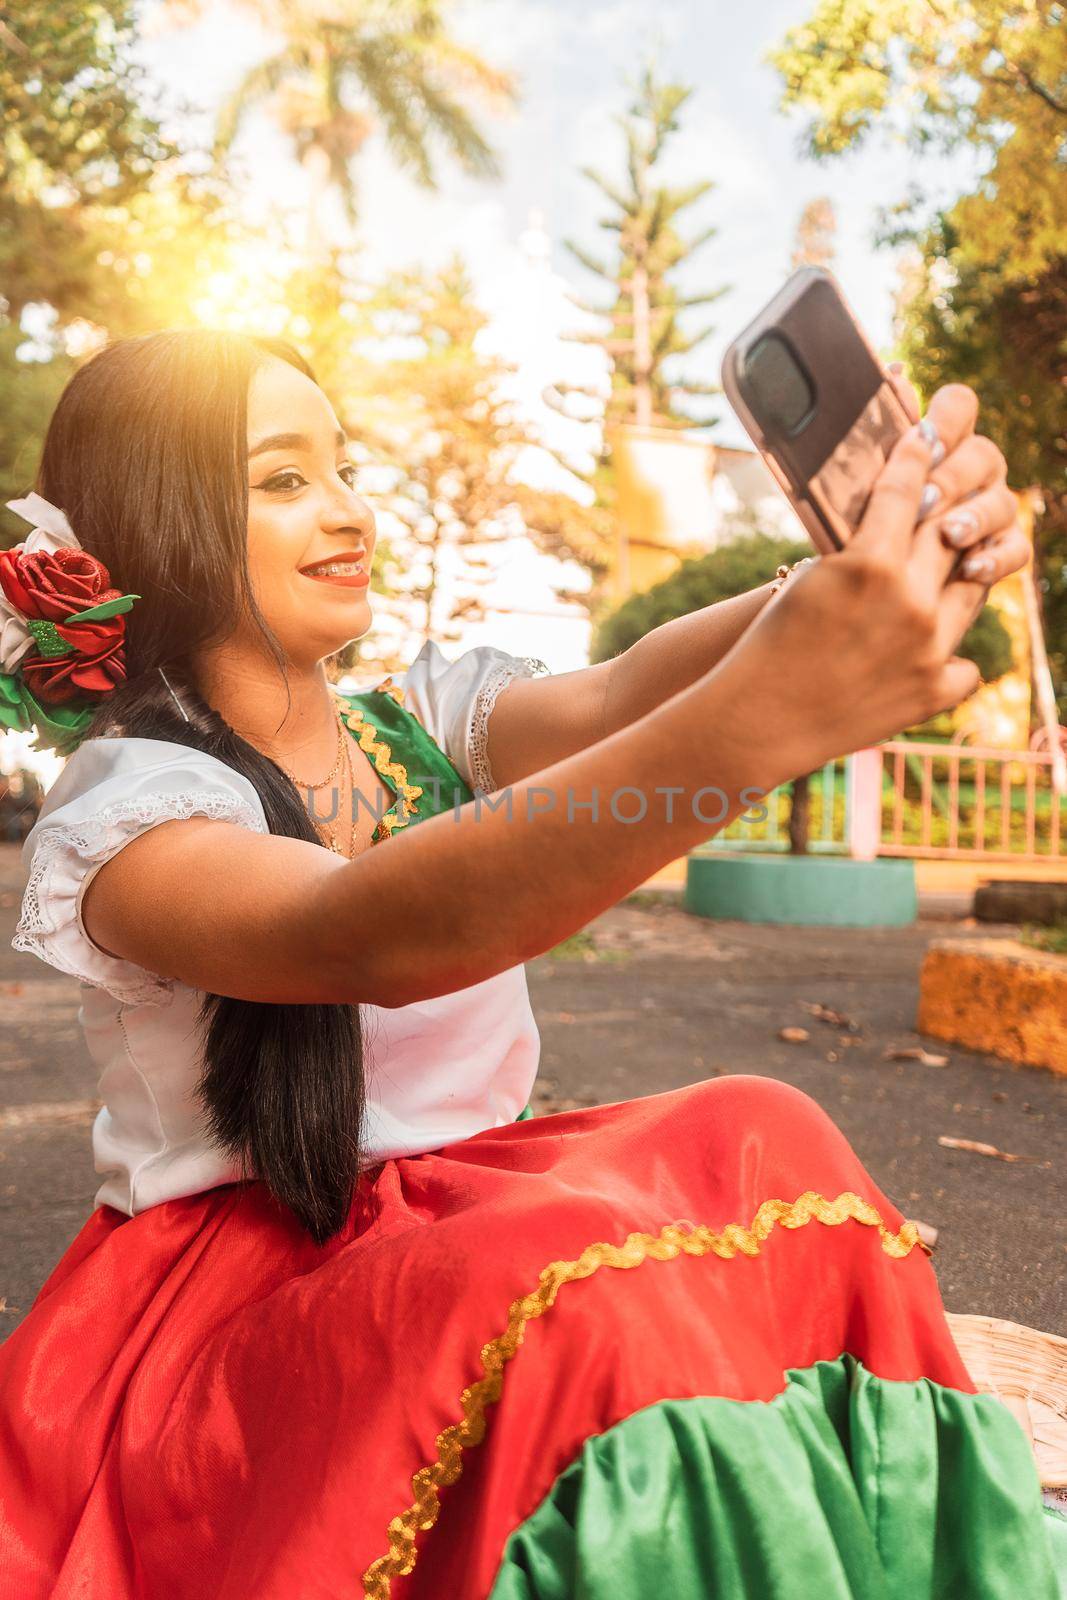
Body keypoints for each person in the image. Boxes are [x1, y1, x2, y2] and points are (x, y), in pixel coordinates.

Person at [0, 329, 1061, 1600]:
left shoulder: (421, 720)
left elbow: (625, 693)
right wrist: (760, 723)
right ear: (157, 515)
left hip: (479, 1212)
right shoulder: (132, 809)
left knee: (762, 1127)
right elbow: (366, 934)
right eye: (282, 480)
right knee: (569, 1294)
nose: (347, 512)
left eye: (345, 468)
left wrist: (853, 570)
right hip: (244, 1292)